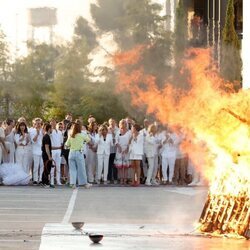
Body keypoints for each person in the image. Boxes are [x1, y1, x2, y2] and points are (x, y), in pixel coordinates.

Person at [65, 122, 92, 189]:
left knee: (72, 169)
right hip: (79, 153)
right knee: (82, 169)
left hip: (71, 153)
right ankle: (85, 183)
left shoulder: (71, 135)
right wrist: (87, 133)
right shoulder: (82, 135)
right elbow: (89, 140)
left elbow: (66, 145)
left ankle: (73, 184)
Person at [114, 119, 131, 185]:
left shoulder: (129, 132)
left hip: (126, 149)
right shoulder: (118, 132)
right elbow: (116, 141)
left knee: (126, 166)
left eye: (124, 123)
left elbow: (130, 141)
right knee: (120, 167)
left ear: (126, 124)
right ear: (119, 124)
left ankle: (125, 179)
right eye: (121, 123)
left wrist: (127, 148)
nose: (123, 124)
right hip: (119, 150)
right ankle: (121, 179)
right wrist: (119, 146)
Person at [30, 118, 44, 185]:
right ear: (34, 124)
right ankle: (35, 179)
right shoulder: (32, 131)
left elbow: (45, 139)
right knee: (36, 165)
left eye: (39, 123)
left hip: (42, 150)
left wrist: (42, 132)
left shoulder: (43, 130)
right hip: (35, 151)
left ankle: (41, 179)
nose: (38, 125)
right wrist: (37, 133)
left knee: (42, 165)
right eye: (37, 123)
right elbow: (33, 141)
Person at [41, 123, 54, 188]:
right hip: (46, 155)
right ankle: (45, 182)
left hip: (47, 154)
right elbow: (46, 147)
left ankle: (46, 181)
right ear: (49, 129)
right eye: (51, 128)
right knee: (46, 168)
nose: (52, 129)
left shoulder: (47, 136)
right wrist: (49, 156)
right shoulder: (46, 136)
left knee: (48, 168)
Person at [50, 119, 63, 185]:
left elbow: (61, 142)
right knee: (52, 166)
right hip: (52, 151)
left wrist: (60, 149)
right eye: (52, 122)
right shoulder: (50, 131)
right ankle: (51, 181)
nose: (53, 123)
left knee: (58, 166)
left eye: (54, 122)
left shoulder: (60, 132)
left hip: (59, 151)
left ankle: (58, 180)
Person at [107, 118, 119, 184]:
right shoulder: (107, 129)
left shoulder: (118, 129)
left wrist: (113, 133)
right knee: (109, 164)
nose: (112, 123)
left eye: (113, 122)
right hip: (109, 150)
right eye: (110, 122)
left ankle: (115, 178)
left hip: (115, 150)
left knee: (115, 165)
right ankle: (109, 178)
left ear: (115, 122)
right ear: (109, 123)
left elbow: (117, 138)